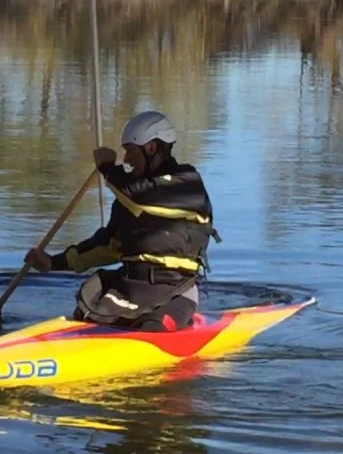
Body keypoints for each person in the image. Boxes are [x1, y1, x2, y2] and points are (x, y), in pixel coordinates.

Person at [24, 110, 220, 332]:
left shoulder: (186, 184)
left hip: (173, 291)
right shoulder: (129, 201)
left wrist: (107, 168)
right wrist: (54, 263)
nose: (126, 160)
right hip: (131, 287)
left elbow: (138, 196)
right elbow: (108, 246)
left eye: (130, 152)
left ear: (151, 148)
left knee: (152, 328)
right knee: (86, 307)